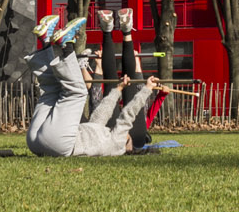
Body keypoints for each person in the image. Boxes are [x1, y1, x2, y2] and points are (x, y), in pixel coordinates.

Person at [25, 14, 160, 157]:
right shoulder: (104, 136)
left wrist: (147, 90)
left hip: (61, 144)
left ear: (129, 147)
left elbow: (128, 114)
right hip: (36, 142)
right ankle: (45, 41)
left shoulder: (119, 144)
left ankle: (67, 45)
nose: (128, 134)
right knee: (52, 90)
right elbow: (101, 114)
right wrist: (117, 90)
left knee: (78, 92)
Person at [93, 9, 161, 149]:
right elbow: (136, 103)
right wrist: (147, 87)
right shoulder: (137, 139)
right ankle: (121, 29)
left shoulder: (112, 138)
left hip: (114, 138)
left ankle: (114, 30)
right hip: (131, 138)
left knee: (112, 80)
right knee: (121, 82)